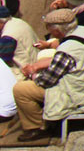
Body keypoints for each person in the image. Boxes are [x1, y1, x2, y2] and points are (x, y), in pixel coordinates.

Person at [13, 8, 84, 141]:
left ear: (57, 30)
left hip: (76, 92)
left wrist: (33, 75)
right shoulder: (80, 31)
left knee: (20, 90)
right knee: (42, 61)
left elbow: (47, 81)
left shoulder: (67, 50)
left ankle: (37, 127)